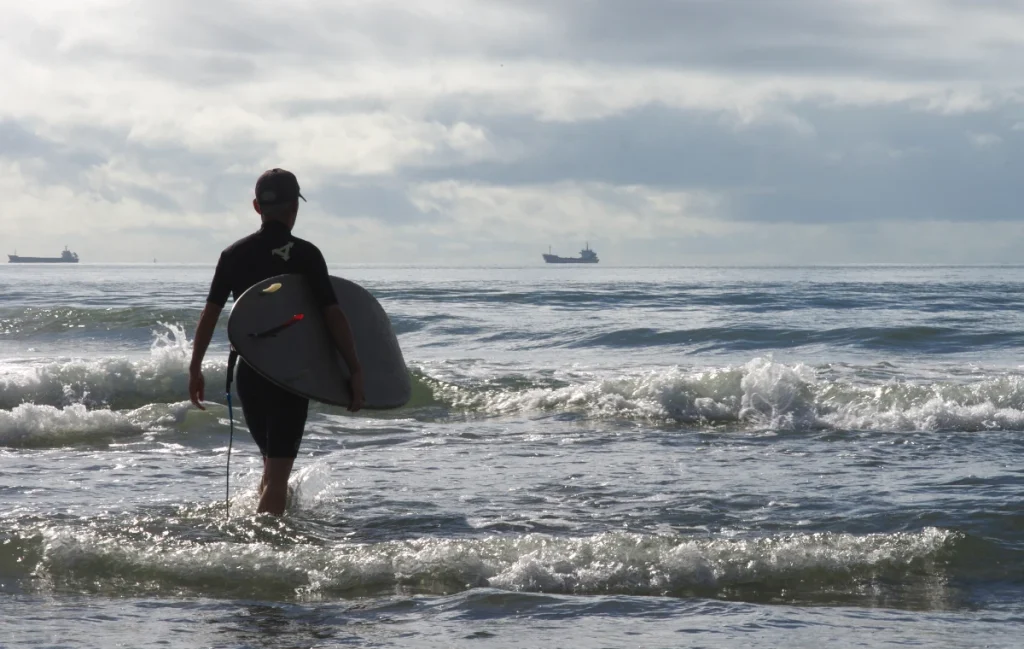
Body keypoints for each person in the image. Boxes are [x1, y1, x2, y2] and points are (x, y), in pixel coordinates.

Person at [188, 168, 365, 515]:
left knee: (271, 464)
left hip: (249, 373)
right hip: (288, 375)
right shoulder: (305, 255)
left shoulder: (233, 255)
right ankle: (267, 555)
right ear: (294, 208)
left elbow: (209, 316)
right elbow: (333, 316)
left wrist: (195, 368)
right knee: (278, 474)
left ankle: (261, 535)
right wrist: (355, 368)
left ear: (257, 207)